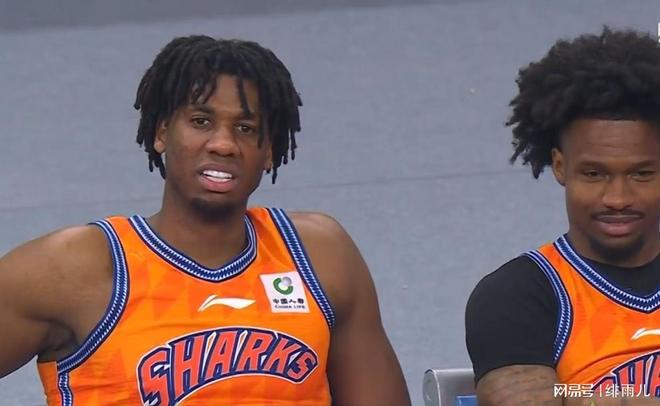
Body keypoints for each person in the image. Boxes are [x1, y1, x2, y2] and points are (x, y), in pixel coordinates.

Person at [0, 36, 410, 406]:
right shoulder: (73, 269)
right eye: (201, 122)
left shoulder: (320, 256)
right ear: (162, 132)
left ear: (269, 151)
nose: (223, 144)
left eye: (245, 128)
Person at [465, 27, 660, 405]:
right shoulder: (517, 293)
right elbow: (525, 399)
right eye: (594, 174)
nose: (617, 198)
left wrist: (578, 396)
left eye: (641, 174)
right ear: (559, 166)